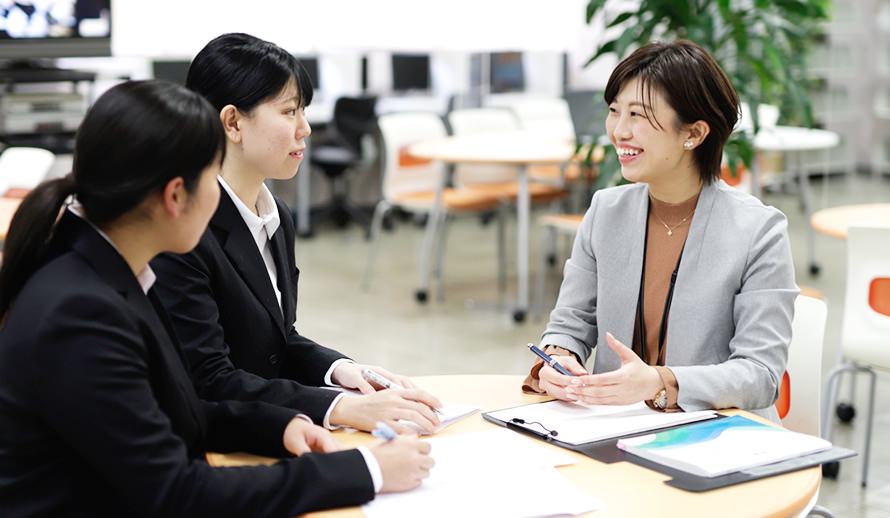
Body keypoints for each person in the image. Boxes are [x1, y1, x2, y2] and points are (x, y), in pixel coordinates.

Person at [0, 80, 432, 517]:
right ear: (174, 196)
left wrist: (278, 426)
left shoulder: (110, 270)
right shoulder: (80, 311)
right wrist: (366, 470)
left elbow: (170, 412)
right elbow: (176, 493)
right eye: (213, 177)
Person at [148, 33, 442, 435]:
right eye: (289, 112)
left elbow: (276, 342)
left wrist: (342, 371)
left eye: (303, 111)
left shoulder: (275, 215)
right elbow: (209, 380)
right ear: (233, 122)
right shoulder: (183, 232)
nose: (304, 129)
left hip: (263, 425)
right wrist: (340, 409)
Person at [523, 40, 797, 422]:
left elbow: (761, 375)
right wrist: (557, 359)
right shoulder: (606, 210)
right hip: (612, 430)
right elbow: (570, 324)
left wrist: (658, 381)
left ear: (694, 133)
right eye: (615, 111)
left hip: (716, 436)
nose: (619, 131)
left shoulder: (758, 230)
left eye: (638, 115)